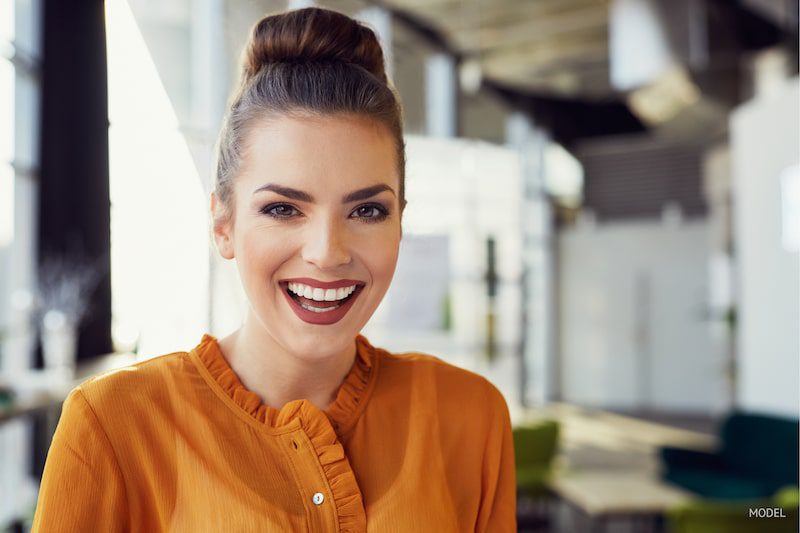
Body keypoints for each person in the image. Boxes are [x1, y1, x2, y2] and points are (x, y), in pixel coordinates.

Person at [31, 7, 516, 532]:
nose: (327, 252)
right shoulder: (112, 427)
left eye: (367, 210)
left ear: (400, 221)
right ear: (223, 224)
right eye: (283, 209)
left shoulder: (469, 416)